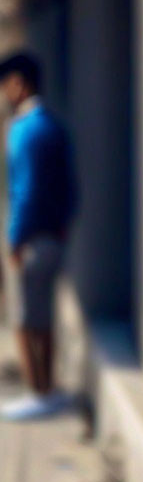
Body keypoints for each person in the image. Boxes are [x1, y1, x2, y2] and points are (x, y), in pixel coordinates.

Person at [0, 50, 79, 421]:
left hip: (29, 237)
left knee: (23, 319)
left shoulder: (24, 129)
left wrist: (15, 239)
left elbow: (25, 190)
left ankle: (38, 391)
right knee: (43, 317)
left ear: (19, 82)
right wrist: (61, 226)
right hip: (53, 235)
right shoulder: (53, 125)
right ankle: (47, 389)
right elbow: (70, 186)